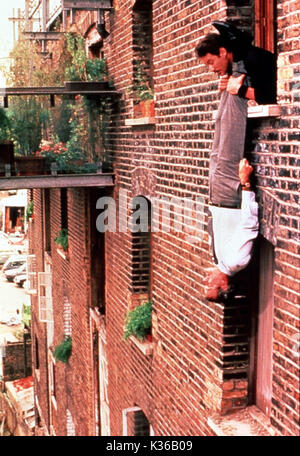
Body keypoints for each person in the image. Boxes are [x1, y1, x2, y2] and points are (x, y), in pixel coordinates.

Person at [194, 22, 276, 300]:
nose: (206, 278)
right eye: (210, 284)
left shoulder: (221, 261)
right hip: (230, 193)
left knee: (220, 127)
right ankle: (237, 73)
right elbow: (250, 224)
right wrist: (246, 184)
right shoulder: (237, 261)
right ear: (224, 285)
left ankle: (233, 77)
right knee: (229, 129)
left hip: (218, 194)